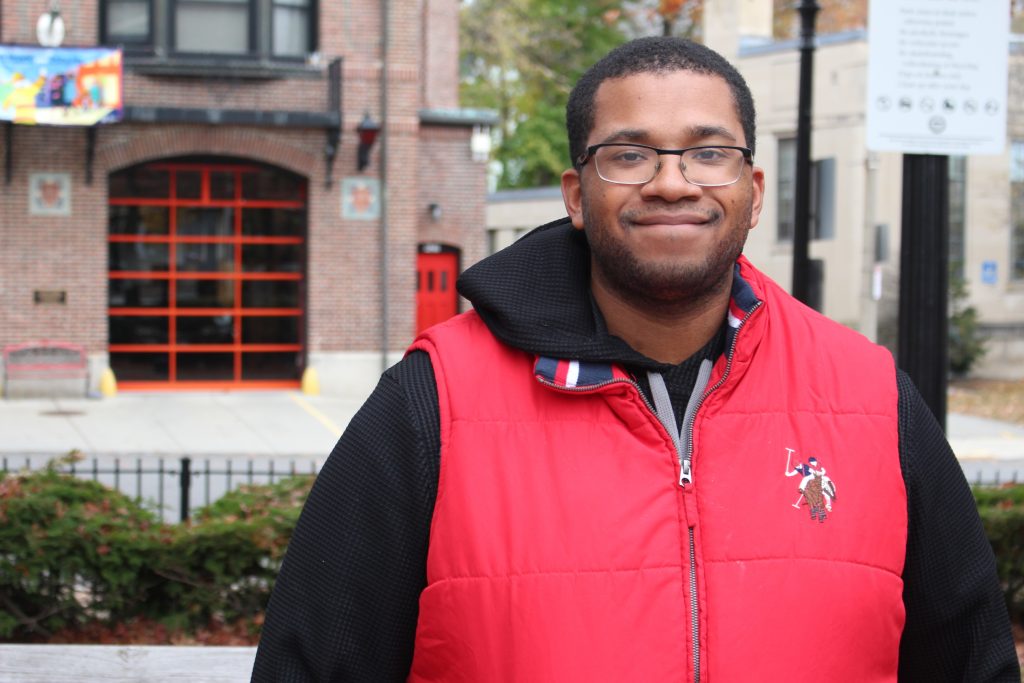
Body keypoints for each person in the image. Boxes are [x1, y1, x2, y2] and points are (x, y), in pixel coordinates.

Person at [252, 37, 1019, 682]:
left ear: (753, 191)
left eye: (707, 152)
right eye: (629, 154)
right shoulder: (431, 403)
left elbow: (973, 662)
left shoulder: (873, 397)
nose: (671, 181)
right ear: (577, 195)